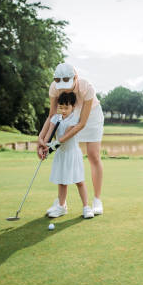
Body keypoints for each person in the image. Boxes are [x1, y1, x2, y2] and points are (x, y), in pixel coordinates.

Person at [37, 63, 104, 216]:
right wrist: (41, 139)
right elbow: (52, 116)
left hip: (90, 117)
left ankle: (97, 200)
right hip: (68, 114)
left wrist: (56, 143)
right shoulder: (54, 87)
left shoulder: (86, 87)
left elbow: (81, 123)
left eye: (67, 84)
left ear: (76, 78)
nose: (64, 89)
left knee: (93, 155)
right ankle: (61, 205)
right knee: (65, 154)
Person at [42, 91, 94, 219]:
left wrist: (54, 144)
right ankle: (61, 207)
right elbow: (49, 134)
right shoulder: (55, 118)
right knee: (62, 182)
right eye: (61, 107)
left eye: (67, 107)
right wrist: (44, 147)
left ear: (73, 107)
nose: (63, 110)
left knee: (79, 181)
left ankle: (86, 207)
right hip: (61, 154)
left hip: (72, 154)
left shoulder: (74, 118)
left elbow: (66, 135)